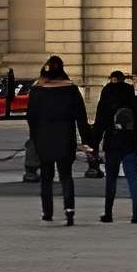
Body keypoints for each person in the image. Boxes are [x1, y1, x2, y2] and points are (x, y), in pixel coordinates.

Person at [25, 56, 89, 225]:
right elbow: (81, 117)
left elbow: (31, 117)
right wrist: (87, 140)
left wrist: (34, 137)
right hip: (65, 138)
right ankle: (69, 210)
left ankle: (47, 212)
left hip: (44, 139)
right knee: (66, 176)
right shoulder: (71, 89)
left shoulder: (37, 90)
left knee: (46, 177)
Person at [94, 69, 137, 224]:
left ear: (112, 79)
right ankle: (136, 214)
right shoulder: (131, 96)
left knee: (111, 179)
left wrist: (94, 144)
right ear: (123, 79)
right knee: (132, 180)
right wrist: (136, 140)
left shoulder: (107, 94)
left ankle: (108, 213)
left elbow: (100, 122)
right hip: (131, 143)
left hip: (112, 143)